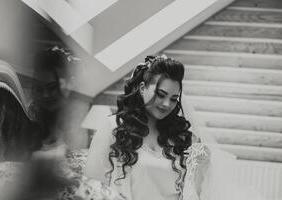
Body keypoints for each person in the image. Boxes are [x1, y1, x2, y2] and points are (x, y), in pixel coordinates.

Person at [85, 55, 210, 200]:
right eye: (160, 94)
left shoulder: (182, 138)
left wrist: (200, 162)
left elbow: (193, 192)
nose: (166, 104)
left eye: (174, 99)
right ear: (143, 88)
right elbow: (93, 186)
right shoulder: (114, 128)